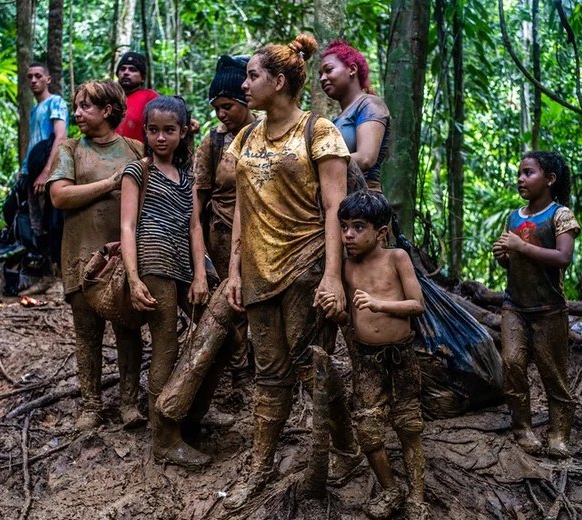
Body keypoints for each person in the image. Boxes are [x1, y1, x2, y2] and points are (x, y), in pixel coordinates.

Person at [222, 34, 360, 509]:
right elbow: (240, 204)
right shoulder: (245, 136)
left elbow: (335, 208)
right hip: (258, 273)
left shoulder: (319, 131)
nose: (244, 84)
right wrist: (234, 270)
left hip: (307, 267)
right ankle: (261, 464)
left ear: (279, 82)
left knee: (310, 365)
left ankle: (343, 446)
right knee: (269, 371)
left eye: (252, 76)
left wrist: (332, 277)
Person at [318, 190, 429, 519]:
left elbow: (417, 304)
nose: (348, 235)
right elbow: (346, 317)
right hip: (367, 361)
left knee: (409, 425)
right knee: (368, 428)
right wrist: (334, 311)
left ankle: (417, 496)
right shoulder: (346, 268)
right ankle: (390, 489)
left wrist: (381, 305)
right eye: (344, 227)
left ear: (381, 232)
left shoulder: (397, 259)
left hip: (402, 356)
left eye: (358, 227)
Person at [48, 80, 146, 431]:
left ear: (107, 110)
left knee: (128, 330)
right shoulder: (70, 149)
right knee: (86, 332)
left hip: (125, 260)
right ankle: (91, 405)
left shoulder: (135, 149)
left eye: (84, 107)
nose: (76, 113)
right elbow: (59, 196)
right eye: (76, 106)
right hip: (81, 255)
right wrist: (110, 183)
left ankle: (129, 403)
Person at [120, 96, 211, 467]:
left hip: (184, 266)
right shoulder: (137, 170)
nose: (160, 138)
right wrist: (133, 277)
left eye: (169, 130)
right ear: (145, 131)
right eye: (153, 130)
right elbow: (127, 226)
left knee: (220, 334)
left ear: (183, 132)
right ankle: (164, 439)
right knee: (166, 347)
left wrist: (202, 274)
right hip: (153, 263)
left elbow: (194, 227)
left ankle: (190, 414)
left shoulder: (188, 176)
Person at [493, 151, 580, 459]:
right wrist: (505, 256)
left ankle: (558, 434)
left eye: (528, 173)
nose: (521, 178)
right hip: (513, 305)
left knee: (553, 372)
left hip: (549, 310)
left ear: (550, 179)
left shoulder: (561, 215)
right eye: (520, 173)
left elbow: (563, 258)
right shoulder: (514, 217)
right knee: (512, 364)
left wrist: (520, 246)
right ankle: (522, 428)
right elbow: (515, 260)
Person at [194, 54, 256, 389]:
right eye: (216, 107)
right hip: (220, 233)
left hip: (259, 234)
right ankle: (235, 370)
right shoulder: (214, 141)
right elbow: (199, 195)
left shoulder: (266, 133)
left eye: (227, 106)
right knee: (227, 301)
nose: (221, 114)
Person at [319, 40, 390, 192]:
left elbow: (366, 158)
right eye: (320, 74)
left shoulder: (369, 104)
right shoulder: (337, 120)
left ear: (352, 69)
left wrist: (317, 163)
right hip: (342, 198)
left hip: (364, 202)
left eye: (328, 70)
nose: (322, 78)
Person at [21, 62, 68, 253]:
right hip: (31, 171)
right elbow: (33, 142)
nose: (33, 80)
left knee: (52, 220)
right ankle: (41, 267)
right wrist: (24, 171)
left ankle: (56, 271)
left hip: (48, 171)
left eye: (38, 76)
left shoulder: (55, 102)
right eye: (30, 76)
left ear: (48, 79)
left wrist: (46, 171)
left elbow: (61, 136)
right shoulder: (34, 110)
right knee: (35, 223)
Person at [114, 52, 158, 142]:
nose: (126, 72)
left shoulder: (150, 97)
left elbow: (170, 114)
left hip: (138, 154)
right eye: (122, 69)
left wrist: (187, 121)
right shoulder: (108, 96)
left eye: (132, 69)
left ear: (142, 78)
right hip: (104, 153)